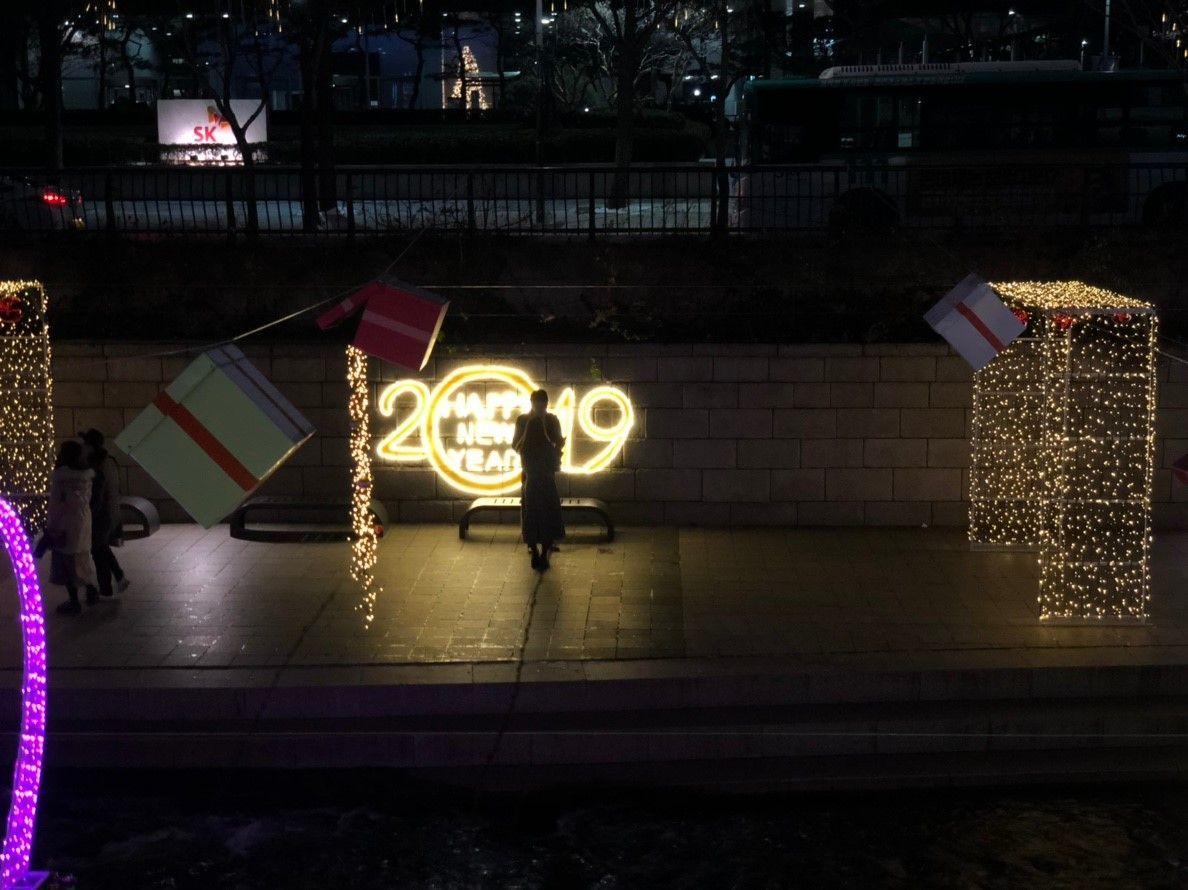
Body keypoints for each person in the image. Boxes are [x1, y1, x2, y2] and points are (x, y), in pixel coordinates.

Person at [512, 389, 566, 571]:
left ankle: (534, 546)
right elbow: (558, 443)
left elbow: (515, 445)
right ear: (533, 403)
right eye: (539, 404)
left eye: (543, 405)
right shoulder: (531, 420)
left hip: (532, 473)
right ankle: (541, 548)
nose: (541, 408)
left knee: (531, 511)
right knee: (544, 511)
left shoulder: (546, 420)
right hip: (539, 474)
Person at [45, 440, 99, 615]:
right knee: (82, 559)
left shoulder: (60, 477)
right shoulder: (86, 476)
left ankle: (74, 602)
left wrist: (51, 526)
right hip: (83, 522)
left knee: (67, 564)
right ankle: (91, 590)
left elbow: (55, 505)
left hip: (65, 525)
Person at [80, 429, 129, 598]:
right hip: (104, 514)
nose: (83, 447)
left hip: (102, 515)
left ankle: (109, 585)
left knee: (98, 549)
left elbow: (106, 492)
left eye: (85, 444)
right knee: (100, 548)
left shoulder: (101, 465)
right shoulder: (104, 462)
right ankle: (116, 580)